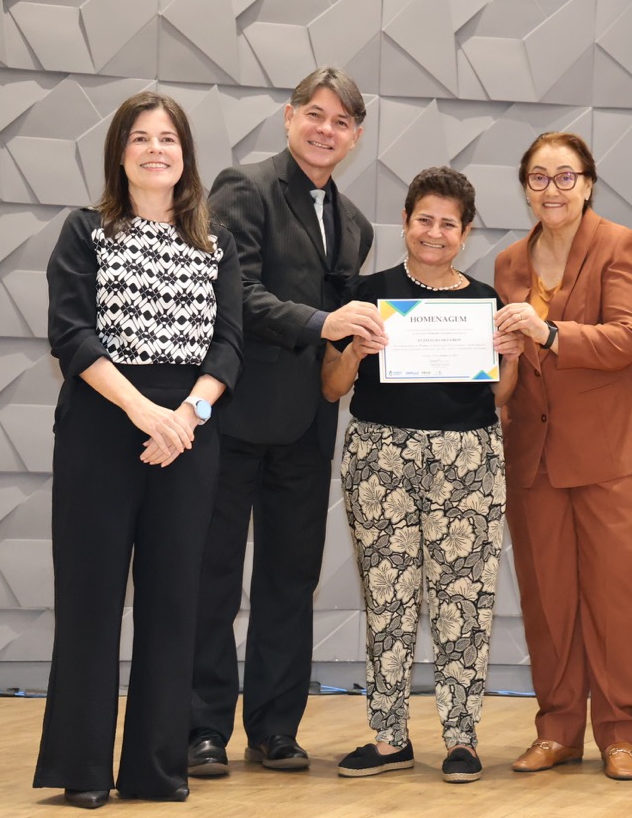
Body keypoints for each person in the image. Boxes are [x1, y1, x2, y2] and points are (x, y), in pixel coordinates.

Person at [34, 92, 242, 809]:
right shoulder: (86, 231)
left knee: (173, 601)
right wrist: (144, 411)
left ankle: (156, 767)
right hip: (101, 426)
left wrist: (187, 416)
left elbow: (229, 346)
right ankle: (84, 768)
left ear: (186, 155)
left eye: (169, 139)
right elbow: (71, 334)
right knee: (89, 598)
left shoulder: (216, 245)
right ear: (120, 153)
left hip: (188, 435)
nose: (157, 149)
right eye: (141, 138)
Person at [188, 66, 384, 776]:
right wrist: (322, 322)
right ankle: (201, 727)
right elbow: (234, 295)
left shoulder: (356, 224)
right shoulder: (244, 187)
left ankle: (274, 727)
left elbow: (346, 330)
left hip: (308, 425)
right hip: (233, 415)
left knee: (289, 581)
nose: (326, 130)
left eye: (341, 122)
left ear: (355, 136)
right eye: (315, 115)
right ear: (289, 117)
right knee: (212, 577)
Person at [323, 166, 522, 784]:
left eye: (448, 224)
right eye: (424, 220)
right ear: (406, 222)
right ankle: (389, 738)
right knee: (388, 597)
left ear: (466, 232)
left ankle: (461, 738)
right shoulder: (366, 296)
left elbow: (499, 396)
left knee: (465, 599)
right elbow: (330, 387)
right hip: (380, 457)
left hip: (469, 459)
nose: (435, 233)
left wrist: (511, 359)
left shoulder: (487, 303)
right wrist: (356, 350)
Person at [493, 132, 632, 782]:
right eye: (538, 177)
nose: (553, 189)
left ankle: (620, 735)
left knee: (616, 599)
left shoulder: (618, 243)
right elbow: (512, 364)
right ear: (525, 188)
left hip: (614, 454)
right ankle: (558, 729)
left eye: (566, 176)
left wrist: (548, 331)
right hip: (533, 456)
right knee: (548, 600)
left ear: (588, 184)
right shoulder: (509, 261)